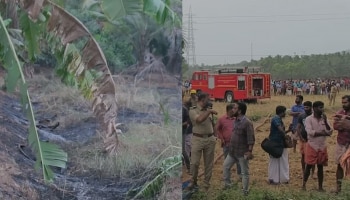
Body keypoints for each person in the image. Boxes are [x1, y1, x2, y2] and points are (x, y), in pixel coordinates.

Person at [223, 102, 255, 196]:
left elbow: (251, 139)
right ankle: (228, 185)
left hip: (242, 152)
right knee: (226, 166)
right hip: (232, 152)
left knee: (244, 172)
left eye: (235, 108)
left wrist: (249, 151)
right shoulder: (235, 120)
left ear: (240, 111)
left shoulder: (247, 123)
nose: (233, 110)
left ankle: (245, 191)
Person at [188, 93, 217, 191]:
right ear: (202, 100)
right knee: (194, 163)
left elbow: (212, 124)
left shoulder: (208, 110)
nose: (209, 101)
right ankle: (193, 181)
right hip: (197, 139)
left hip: (210, 139)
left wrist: (215, 136)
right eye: (208, 99)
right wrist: (209, 112)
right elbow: (199, 120)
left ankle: (206, 185)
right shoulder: (193, 110)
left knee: (208, 164)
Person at [302, 101, 332, 191]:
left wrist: (326, 121)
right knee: (309, 166)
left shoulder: (324, 119)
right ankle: (304, 185)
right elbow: (310, 132)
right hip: (312, 145)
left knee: (320, 167)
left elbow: (330, 131)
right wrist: (323, 133)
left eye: (322, 107)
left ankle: (320, 187)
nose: (322, 109)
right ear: (314, 108)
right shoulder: (308, 119)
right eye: (320, 107)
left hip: (322, 146)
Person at [215, 104, 241, 179]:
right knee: (227, 162)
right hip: (227, 144)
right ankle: (227, 178)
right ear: (230, 110)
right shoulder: (222, 119)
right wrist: (221, 138)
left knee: (239, 161)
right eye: (234, 109)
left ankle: (240, 176)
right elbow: (217, 129)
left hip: (237, 144)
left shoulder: (237, 119)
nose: (235, 110)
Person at [268, 105, 291, 184]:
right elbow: (280, 130)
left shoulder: (277, 119)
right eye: (284, 112)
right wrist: (285, 135)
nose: (285, 114)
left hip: (277, 143)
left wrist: (288, 131)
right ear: (281, 112)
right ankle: (281, 179)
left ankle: (275, 179)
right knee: (281, 161)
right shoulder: (276, 119)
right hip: (277, 143)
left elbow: (281, 132)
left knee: (276, 161)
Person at [333, 95, 350, 193]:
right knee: (339, 165)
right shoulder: (339, 113)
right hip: (341, 142)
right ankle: (338, 188)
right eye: (342, 103)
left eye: (346, 102)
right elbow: (335, 126)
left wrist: (345, 123)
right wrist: (346, 124)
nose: (344, 105)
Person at [296, 101, 316, 179]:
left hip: (312, 140)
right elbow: (298, 127)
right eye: (304, 107)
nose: (305, 109)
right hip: (303, 139)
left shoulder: (314, 116)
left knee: (313, 157)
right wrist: (300, 137)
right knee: (303, 156)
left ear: (311, 107)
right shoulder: (301, 116)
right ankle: (303, 171)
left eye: (307, 107)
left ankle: (313, 173)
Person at [182, 99, 191, 174]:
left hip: (182, 132)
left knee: (183, 150)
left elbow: (188, 122)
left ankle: (189, 167)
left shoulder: (184, 109)